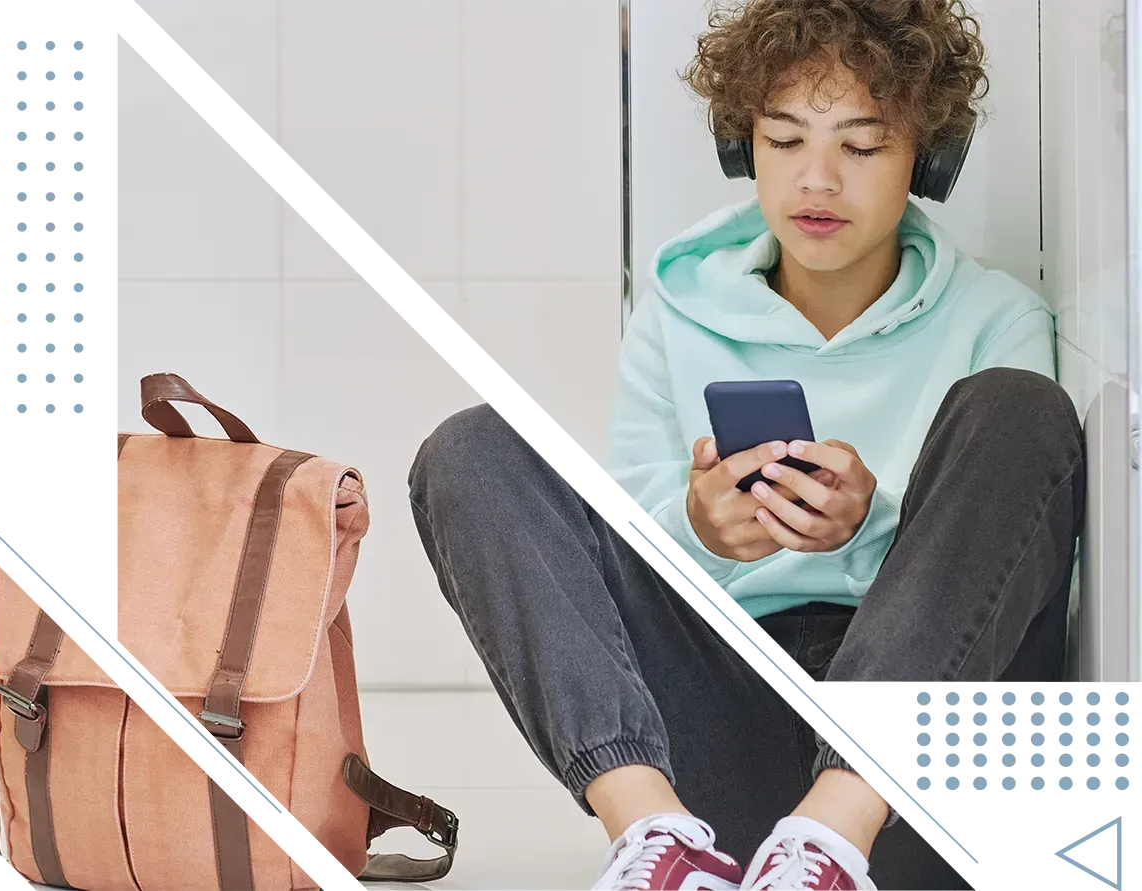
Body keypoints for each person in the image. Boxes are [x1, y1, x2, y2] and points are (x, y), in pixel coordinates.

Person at [407, 0, 1085, 888]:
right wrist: (699, 526)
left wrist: (867, 527)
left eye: (862, 144)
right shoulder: (674, 316)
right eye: (785, 139)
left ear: (928, 155)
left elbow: (1010, 574)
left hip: (916, 772)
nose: (818, 181)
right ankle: (660, 841)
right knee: (476, 447)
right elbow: (638, 548)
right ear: (744, 146)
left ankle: (828, 840)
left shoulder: (998, 321)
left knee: (1019, 408)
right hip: (726, 736)